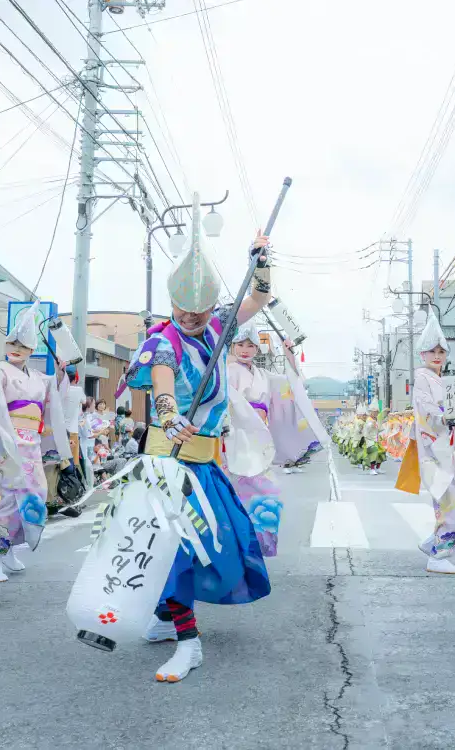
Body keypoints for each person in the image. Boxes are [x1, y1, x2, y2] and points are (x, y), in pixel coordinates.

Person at [123, 210, 274, 683]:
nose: (190, 317)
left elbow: (261, 296)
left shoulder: (218, 328)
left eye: (201, 309)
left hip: (204, 463)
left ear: (212, 307)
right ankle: (189, 643)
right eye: (183, 308)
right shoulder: (161, 343)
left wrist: (262, 261)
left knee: (211, 547)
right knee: (173, 550)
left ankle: (165, 618)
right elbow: (163, 385)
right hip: (168, 462)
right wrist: (168, 415)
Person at [0, 302, 76, 583]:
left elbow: (54, 392)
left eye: (23, 344)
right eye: (13, 342)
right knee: (12, 500)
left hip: (31, 444)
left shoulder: (36, 377)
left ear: (32, 350)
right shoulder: (0, 371)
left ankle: (8, 550)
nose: (17, 347)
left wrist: (60, 373)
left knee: (33, 498)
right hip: (9, 443)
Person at [224, 326, 309, 557]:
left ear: (257, 348)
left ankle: (256, 543)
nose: (244, 350)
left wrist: (289, 353)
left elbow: (290, 382)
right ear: (232, 347)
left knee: (267, 491)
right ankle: (239, 544)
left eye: (250, 345)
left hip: (260, 436)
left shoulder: (263, 375)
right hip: (236, 436)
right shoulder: (228, 371)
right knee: (237, 487)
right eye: (240, 345)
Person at [406, 314, 455, 575]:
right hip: (435, 450)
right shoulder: (423, 378)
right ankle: (438, 555)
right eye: (431, 351)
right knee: (451, 501)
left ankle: (432, 543)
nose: (437, 355)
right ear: (422, 354)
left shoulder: (445, 381)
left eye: (441, 351)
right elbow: (425, 410)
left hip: (447, 448)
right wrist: (444, 416)